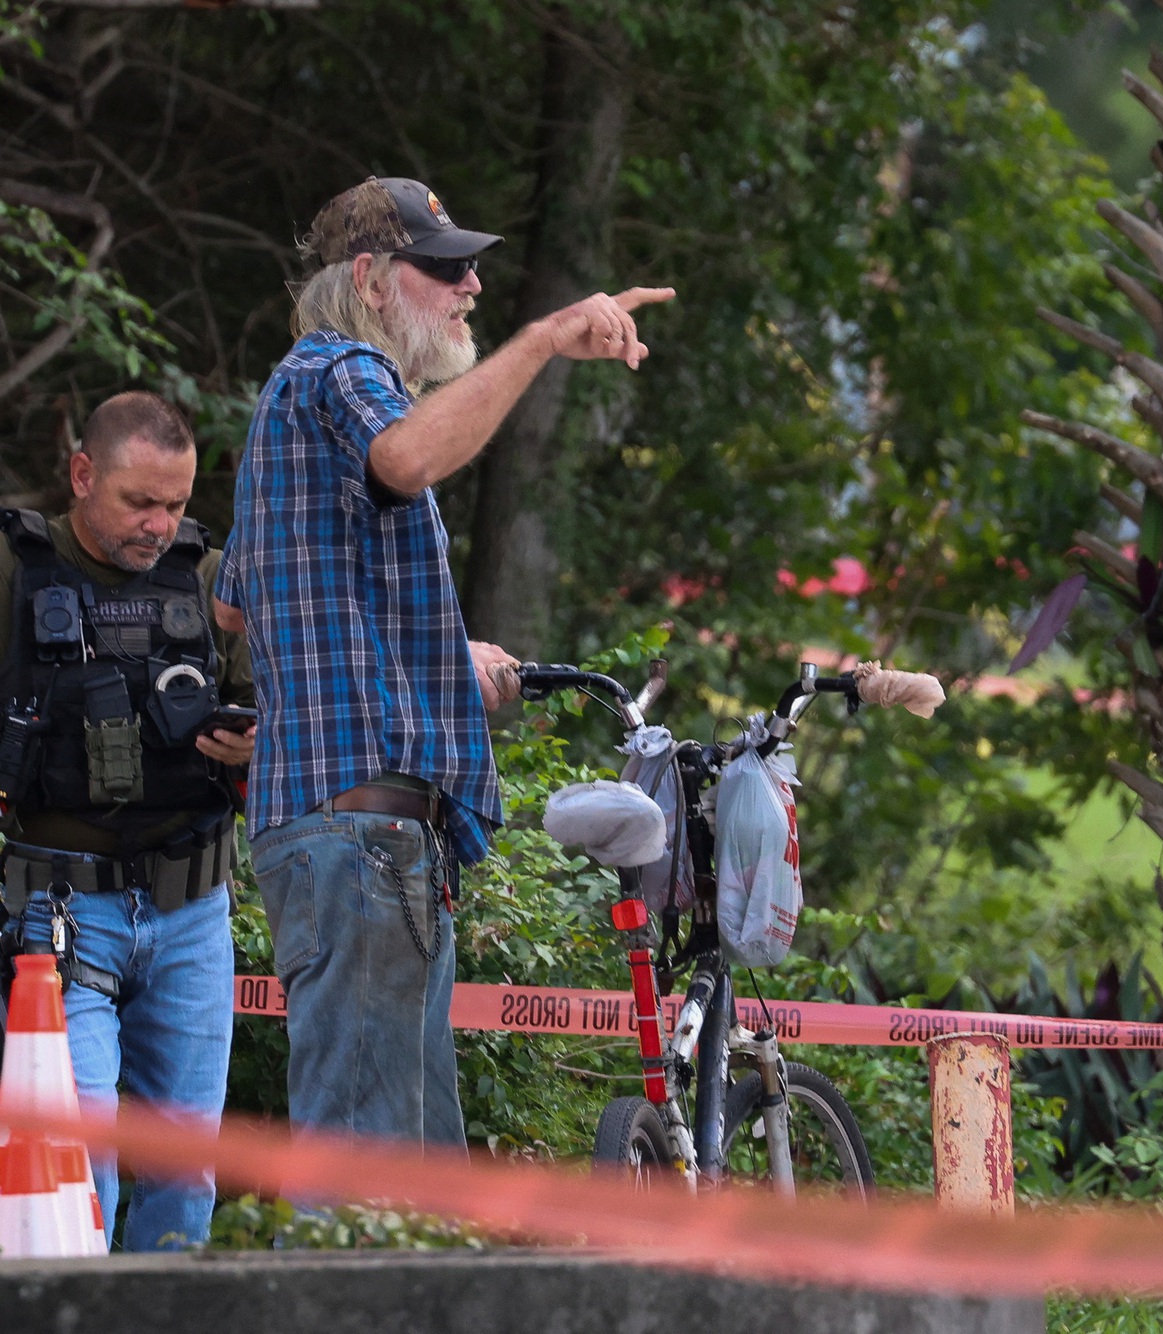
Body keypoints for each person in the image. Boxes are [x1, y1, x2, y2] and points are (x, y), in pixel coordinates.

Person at [216, 176, 671, 1149]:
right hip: (362, 831)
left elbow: (242, 602)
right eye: (445, 266)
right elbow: (406, 459)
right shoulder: (340, 370)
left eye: (472, 267)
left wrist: (431, 655)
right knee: (371, 1178)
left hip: (352, 828)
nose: (470, 285)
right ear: (374, 279)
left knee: (408, 1182)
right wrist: (544, 340)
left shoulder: (297, 402)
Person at [0, 391, 254, 1248]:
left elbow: (277, 708)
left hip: (193, 912)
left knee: (186, 1174)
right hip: (61, 914)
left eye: (176, 504)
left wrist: (251, 746)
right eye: (138, 502)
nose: (159, 524)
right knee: (83, 1164)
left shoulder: (209, 577)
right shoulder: (15, 568)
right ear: (82, 475)